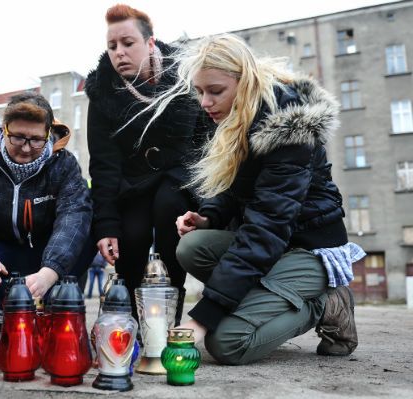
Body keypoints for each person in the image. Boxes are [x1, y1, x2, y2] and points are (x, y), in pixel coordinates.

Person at [141, 33, 364, 365]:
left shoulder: (287, 127)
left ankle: (324, 304)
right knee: (192, 245)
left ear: (245, 80)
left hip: (309, 248)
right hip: (276, 245)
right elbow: (237, 187)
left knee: (228, 343)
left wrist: (204, 318)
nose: (205, 102)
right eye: (200, 91)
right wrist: (210, 217)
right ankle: (270, 298)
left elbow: (268, 226)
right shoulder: (236, 114)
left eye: (215, 91)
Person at [84, 4, 212, 324]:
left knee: (170, 209)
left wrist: (206, 205)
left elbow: (204, 143)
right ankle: (125, 320)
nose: (119, 53)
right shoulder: (103, 92)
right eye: (112, 46)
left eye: (128, 43)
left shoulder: (187, 77)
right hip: (132, 184)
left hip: (179, 176)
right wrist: (107, 227)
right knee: (134, 234)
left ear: (150, 42)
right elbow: (103, 164)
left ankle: (168, 318)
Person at [0, 92, 93, 335]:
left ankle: (49, 304)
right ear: (4, 130)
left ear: (48, 134)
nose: (26, 148)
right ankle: (8, 306)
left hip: (46, 248)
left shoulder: (64, 165)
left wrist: (50, 271)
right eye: (18, 138)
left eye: (35, 140)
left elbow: (73, 218)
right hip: (0, 249)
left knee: (88, 230)